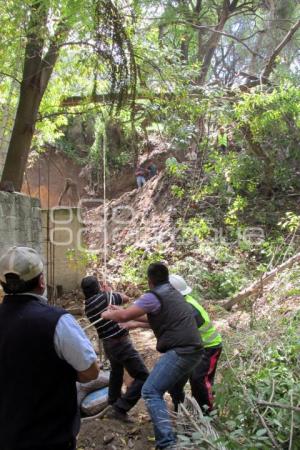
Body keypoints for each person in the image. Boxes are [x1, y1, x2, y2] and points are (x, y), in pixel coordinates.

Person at [0, 246, 98, 450]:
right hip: (50, 437)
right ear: (42, 281)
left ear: (3, 284)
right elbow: (91, 372)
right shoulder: (58, 321)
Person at [102, 262, 203, 450]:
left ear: (149, 280)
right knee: (175, 389)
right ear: (166, 277)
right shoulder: (173, 294)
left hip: (181, 351)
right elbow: (150, 317)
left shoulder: (153, 296)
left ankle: (167, 444)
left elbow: (124, 317)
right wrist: (123, 314)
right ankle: (188, 428)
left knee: (150, 391)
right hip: (195, 351)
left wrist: (109, 314)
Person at [81, 276, 149, 422]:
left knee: (116, 372)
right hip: (121, 343)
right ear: (97, 287)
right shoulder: (105, 297)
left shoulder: (87, 307)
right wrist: (110, 292)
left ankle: (113, 402)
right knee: (143, 376)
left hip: (108, 344)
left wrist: (107, 293)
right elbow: (125, 299)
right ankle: (121, 407)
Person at [169, 274, 222, 413]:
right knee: (175, 379)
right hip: (193, 347)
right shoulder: (179, 303)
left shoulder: (189, 309)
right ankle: (181, 409)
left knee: (199, 380)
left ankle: (207, 414)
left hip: (209, 347)